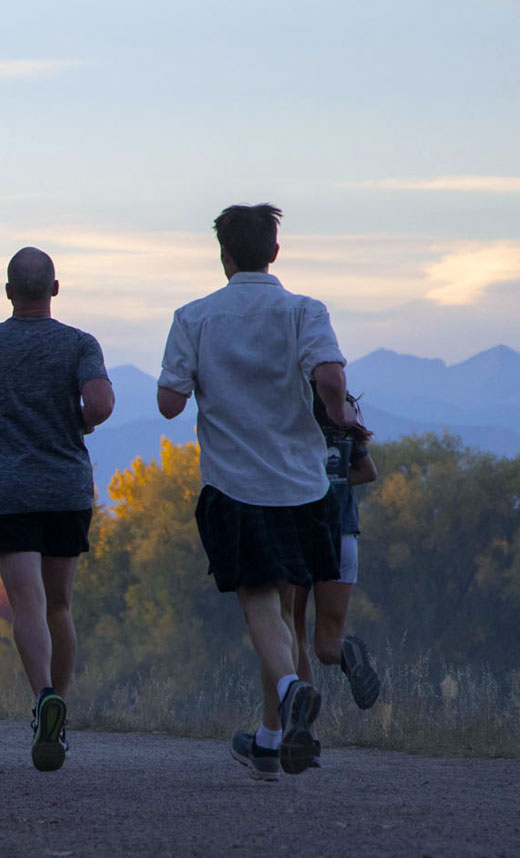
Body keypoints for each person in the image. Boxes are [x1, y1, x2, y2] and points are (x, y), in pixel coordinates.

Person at [157, 203, 355, 779]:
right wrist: (337, 415)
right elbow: (331, 376)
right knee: (288, 607)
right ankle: (270, 742)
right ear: (274, 250)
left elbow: (169, 404)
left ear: (223, 256)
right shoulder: (305, 311)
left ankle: (292, 691)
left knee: (259, 601)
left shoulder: (194, 317)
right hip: (304, 484)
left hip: (236, 485)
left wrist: (198, 383)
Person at [0, 248, 114, 771]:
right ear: (55, 289)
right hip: (66, 491)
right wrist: (77, 421)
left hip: (11, 493)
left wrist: (0, 409)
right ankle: (56, 713)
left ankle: (43, 695)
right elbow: (102, 404)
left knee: (27, 604)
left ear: (7, 292)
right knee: (59, 605)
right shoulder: (78, 344)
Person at [285, 388, 382, 764]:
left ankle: (302, 727)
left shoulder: (295, 416)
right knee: (328, 643)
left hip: (302, 533)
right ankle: (348, 654)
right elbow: (368, 471)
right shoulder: (345, 420)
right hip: (344, 536)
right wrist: (334, 482)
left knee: (292, 630)